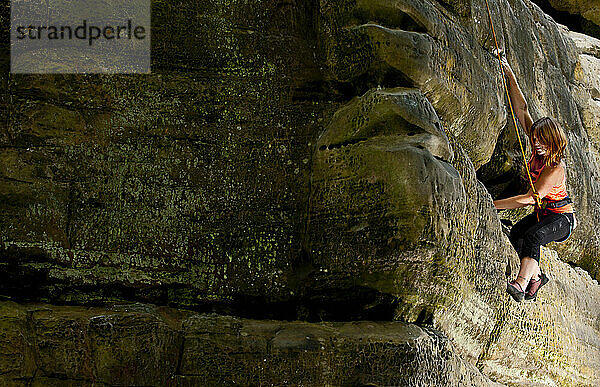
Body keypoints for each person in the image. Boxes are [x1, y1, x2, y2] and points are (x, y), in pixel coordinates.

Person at [493, 56, 576, 302]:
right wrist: (509, 73)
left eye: (542, 141)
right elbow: (521, 110)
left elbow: (531, 198)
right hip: (544, 215)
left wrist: (493, 205)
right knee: (517, 234)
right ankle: (538, 275)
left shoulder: (555, 168)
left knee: (534, 237)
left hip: (562, 220)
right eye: (535, 139)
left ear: (553, 142)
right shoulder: (537, 143)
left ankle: (521, 283)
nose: (536, 144)